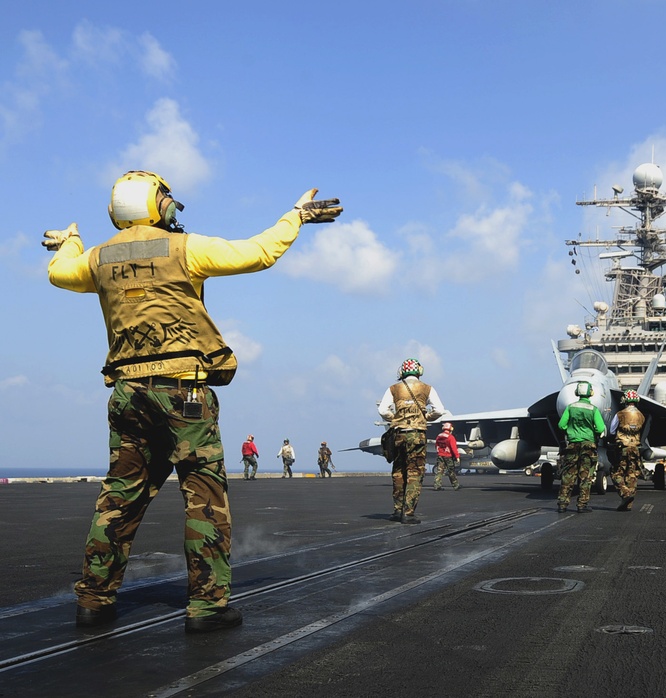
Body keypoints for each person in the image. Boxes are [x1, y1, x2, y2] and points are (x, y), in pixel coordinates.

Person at [43, 170, 342, 632]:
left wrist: (70, 241)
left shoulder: (97, 259)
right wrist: (296, 216)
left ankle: (93, 600)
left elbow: (59, 273)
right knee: (204, 498)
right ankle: (207, 606)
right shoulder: (185, 249)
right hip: (184, 394)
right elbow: (259, 252)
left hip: (127, 395)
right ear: (157, 203)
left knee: (119, 498)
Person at [378, 358, 446, 524]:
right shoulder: (427, 388)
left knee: (398, 470)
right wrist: (426, 417)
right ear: (419, 371)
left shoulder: (393, 388)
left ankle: (397, 510)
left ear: (402, 372)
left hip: (398, 434)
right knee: (415, 471)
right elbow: (439, 410)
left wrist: (395, 418)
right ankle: (408, 513)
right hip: (417, 434)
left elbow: (383, 410)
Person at [556, 381, 606, 513]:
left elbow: (561, 425)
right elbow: (600, 428)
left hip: (572, 445)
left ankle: (562, 504)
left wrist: (570, 431)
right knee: (585, 476)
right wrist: (591, 432)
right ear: (591, 393)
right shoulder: (593, 409)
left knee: (568, 475)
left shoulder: (570, 407)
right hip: (588, 446)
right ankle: (582, 505)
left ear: (577, 393)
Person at [610, 390, 645, 511]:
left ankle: (625, 494)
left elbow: (612, 430)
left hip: (622, 448)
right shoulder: (641, 416)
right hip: (635, 448)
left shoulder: (620, 414)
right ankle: (628, 505)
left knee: (615, 473)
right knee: (632, 474)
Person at [433, 422, 461, 491]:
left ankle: (437, 486)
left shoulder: (439, 436)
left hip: (440, 455)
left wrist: (439, 452)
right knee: (451, 471)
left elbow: (436, 445)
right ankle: (455, 485)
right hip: (448, 456)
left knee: (439, 471)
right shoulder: (451, 437)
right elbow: (454, 448)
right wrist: (457, 456)